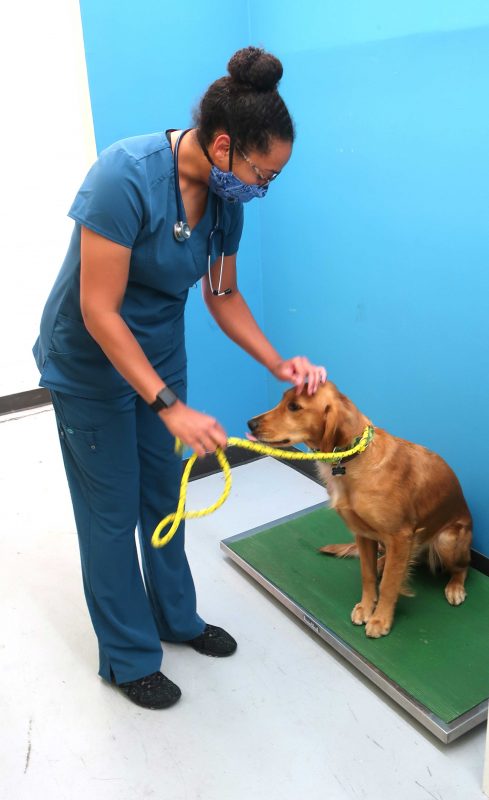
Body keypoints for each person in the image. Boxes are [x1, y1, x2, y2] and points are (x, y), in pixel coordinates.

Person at [32, 46, 327, 710]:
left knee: (164, 494)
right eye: (263, 172)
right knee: (110, 513)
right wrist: (165, 404)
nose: (263, 187)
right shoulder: (124, 175)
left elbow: (221, 295)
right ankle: (129, 656)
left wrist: (277, 363)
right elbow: (98, 310)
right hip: (88, 360)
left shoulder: (228, 203)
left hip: (158, 352)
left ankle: (176, 619)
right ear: (223, 145)